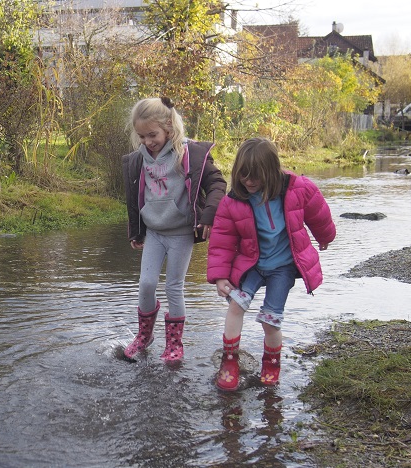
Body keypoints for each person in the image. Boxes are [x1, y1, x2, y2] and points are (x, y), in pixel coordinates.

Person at [207, 137, 336, 390]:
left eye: (256, 176)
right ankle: (230, 362)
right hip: (251, 264)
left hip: (283, 268)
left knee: (270, 319)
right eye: (244, 176)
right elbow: (222, 241)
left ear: (271, 171)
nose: (249, 182)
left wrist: (325, 237)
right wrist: (221, 277)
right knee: (236, 304)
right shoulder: (233, 202)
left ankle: (271, 365)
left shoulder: (298, 189)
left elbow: (319, 214)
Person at [122, 97, 227, 363]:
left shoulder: (189, 153)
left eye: (152, 134)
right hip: (155, 232)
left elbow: (216, 182)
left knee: (173, 287)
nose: (147, 141)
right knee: (146, 284)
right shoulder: (139, 160)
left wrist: (209, 215)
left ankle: (174, 344)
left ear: (168, 126)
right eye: (142, 136)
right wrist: (136, 231)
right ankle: (144, 337)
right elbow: (134, 195)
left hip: (181, 233)